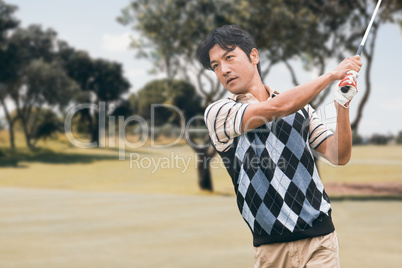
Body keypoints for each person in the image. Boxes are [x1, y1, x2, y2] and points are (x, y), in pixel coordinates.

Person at [197, 25, 362, 267]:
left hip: (320, 241)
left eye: (229, 57)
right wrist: (331, 75)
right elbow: (275, 109)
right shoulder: (219, 113)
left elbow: (339, 155)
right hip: (271, 249)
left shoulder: (302, 109)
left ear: (254, 56)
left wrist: (342, 105)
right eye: (216, 66)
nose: (224, 70)